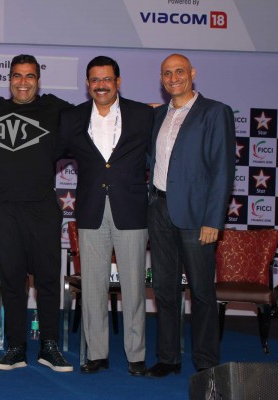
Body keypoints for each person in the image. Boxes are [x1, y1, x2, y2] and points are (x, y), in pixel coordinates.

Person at [56, 56, 153, 375]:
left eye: (107, 79)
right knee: (93, 287)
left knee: (134, 287)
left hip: (132, 210)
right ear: (87, 84)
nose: (101, 85)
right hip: (91, 210)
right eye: (95, 80)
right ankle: (97, 353)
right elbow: (49, 154)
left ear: (118, 82)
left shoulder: (143, 114)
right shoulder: (72, 117)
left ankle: (136, 355)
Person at [0, 54, 73, 372]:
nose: (23, 82)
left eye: (29, 76)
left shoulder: (55, 108)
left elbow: (95, 116)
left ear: (38, 80)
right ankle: (16, 347)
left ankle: (49, 346)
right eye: (17, 76)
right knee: (12, 280)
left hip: (43, 208)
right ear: (9, 80)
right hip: (4, 208)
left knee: (47, 279)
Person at [146, 54, 235, 377]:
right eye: (167, 73)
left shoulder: (215, 112)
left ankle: (206, 362)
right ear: (161, 79)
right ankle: (168, 358)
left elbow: (223, 169)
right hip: (159, 209)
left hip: (198, 216)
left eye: (179, 71)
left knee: (201, 292)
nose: (173, 78)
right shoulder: (158, 115)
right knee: (165, 289)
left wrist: (213, 219)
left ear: (192, 73)